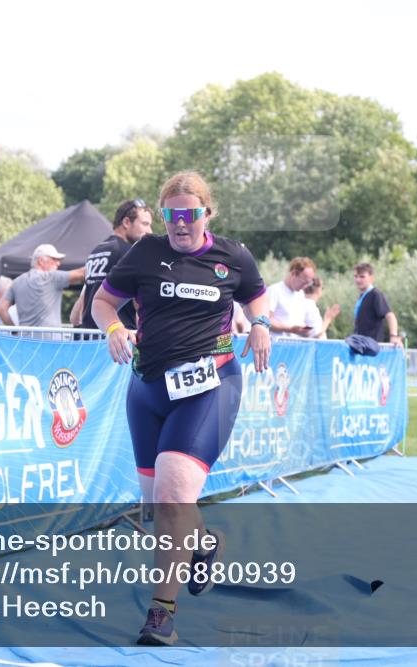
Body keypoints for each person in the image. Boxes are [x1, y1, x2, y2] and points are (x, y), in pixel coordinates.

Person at [91, 171, 270, 646]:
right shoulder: (145, 252)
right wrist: (114, 329)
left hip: (210, 385)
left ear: (207, 213)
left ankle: (161, 614)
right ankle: (204, 544)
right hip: (148, 387)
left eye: (190, 214)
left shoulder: (232, 256)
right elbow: (103, 302)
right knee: (161, 505)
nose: (180, 223)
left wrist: (261, 324)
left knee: (173, 497)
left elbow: (256, 294)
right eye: (171, 215)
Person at [72, 199, 153, 330]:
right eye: (145, 224)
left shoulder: (96, 251)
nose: (150, 231)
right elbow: (140, 304)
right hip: (117, 334)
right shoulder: (129, 253)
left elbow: (79, 308)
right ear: (127, 222)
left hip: (91, 333)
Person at [0, 244, 85, 328]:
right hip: (50, 337)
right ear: (41, 260)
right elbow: (82, 273)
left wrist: (15, 331)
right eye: (54, 259)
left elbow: (1, 309)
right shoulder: (51, 277)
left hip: (24, 337)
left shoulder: (17, 281)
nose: (58, 263)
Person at [352, 262, 403, 345]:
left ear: (371, 278)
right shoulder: (363, 296)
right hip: (361, 345)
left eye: (362, 277)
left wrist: (394, 336)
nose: (358, 280)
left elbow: (390, 316)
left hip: (371, 346)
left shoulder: (375, 294)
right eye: (356, 276)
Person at [267, 257, 317, 337]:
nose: (306, 286)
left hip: (294, 343)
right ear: (293, 273)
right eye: (304, 282)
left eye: (309, 283)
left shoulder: (300, 294)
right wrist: (290, 329)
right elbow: (265, 320)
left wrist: (304, 330)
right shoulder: (274, 290)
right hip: (277, 343)